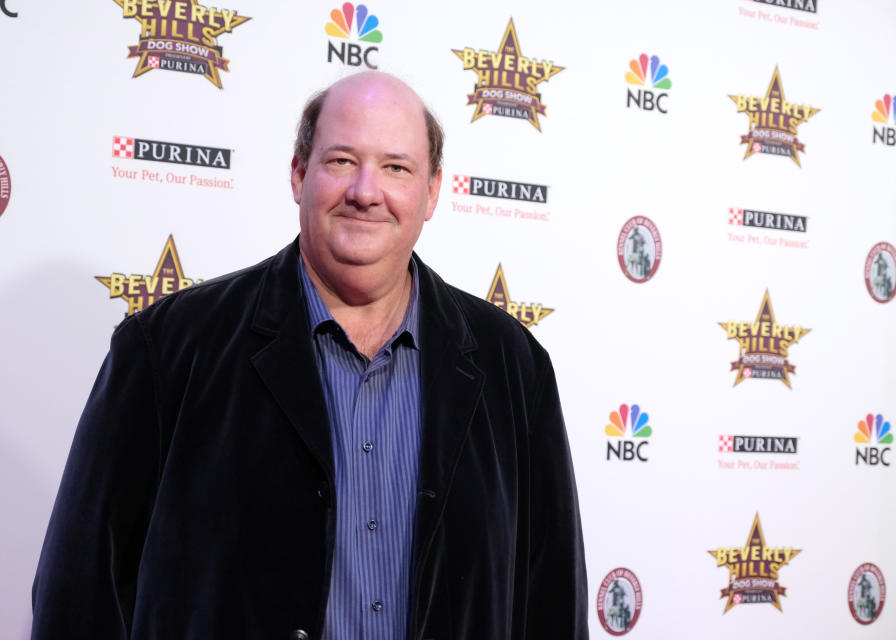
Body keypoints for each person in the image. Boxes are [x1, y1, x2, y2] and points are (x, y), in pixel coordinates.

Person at [32, 71, 588, 640]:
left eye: (396, 168)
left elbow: (550, 598)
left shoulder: (513, 366)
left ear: (433, 192)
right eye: (342, 161)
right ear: (299, 174)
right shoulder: (167, 350)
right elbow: (80, 592)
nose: (366, 191)